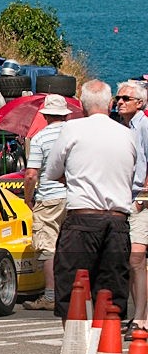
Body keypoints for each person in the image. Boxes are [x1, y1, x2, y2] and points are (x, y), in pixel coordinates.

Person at [45, 80, 135, 322]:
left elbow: (52, 171)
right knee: (111, 294)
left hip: (83, 217)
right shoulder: (127, 135)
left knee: (72, 291)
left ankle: (77, 351)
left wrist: (73, 177)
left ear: (82, 106)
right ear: (110, 105)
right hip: (117, 219)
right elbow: (134, 177)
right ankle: (108, 352)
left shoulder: (72, 129)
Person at [22, 94, 71, 311]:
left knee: (47, 246)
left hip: (49, 197)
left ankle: (51, 295)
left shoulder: (40, 138)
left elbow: (31, 175)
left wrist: (28, 198)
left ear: (46, 116)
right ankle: (76, 291)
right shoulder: (74, 135)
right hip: (75, 196)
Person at [115, 80, 148, 338]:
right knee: (129, 260)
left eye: (125, 98)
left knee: (136, 259)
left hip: (141, 199)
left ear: (140, 102)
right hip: (126, 197)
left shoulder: (144, 125)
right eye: (118, 98)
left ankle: (140, 319)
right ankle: (134, 314)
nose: (120, 101)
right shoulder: (124, 128)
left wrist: (142, 198)